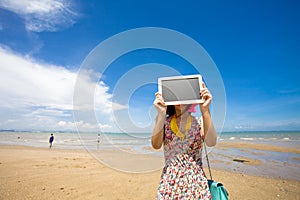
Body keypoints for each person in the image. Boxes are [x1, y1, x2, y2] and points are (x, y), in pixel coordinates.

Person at [152, 82, 217, 199]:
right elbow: (156, 145)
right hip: (169, 181)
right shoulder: (163, 121)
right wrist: (161, 113)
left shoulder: (200, 120)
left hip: (197, 181)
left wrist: (205, 110)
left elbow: (211, 141)